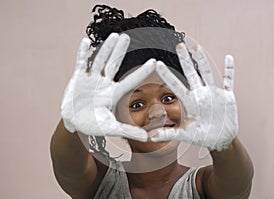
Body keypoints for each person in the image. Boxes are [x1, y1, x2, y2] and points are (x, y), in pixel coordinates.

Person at [50, 5, 254, 199]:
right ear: (115, 115)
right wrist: (74, 123)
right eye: (137, 104)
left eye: (168, 98)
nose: (157, 112)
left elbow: (237, 186)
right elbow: (68, 167)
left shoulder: (201, 185)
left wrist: (224, 144)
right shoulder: (101, 181)